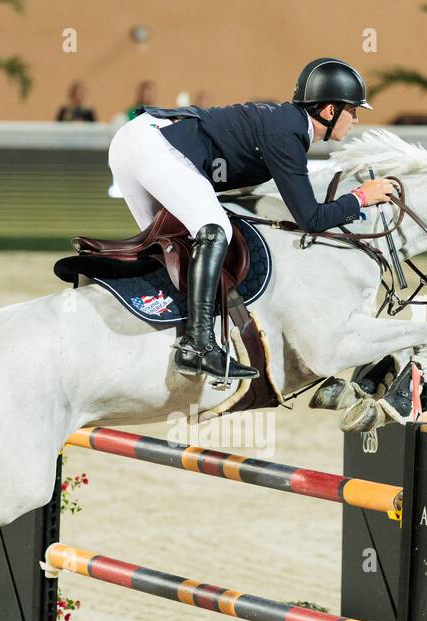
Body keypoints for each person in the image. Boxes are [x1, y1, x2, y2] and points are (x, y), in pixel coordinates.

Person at [107, 57, 395, 380]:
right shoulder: (288, 133)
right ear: (329, 111)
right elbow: (311, 218)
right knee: (216, 231)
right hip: (154, 145)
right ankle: (198, 347)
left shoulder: (283, 124)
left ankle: (158, 331)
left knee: (169, 247)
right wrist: (360, 197)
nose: (355, 118)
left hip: (132, 142)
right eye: (352, 110)